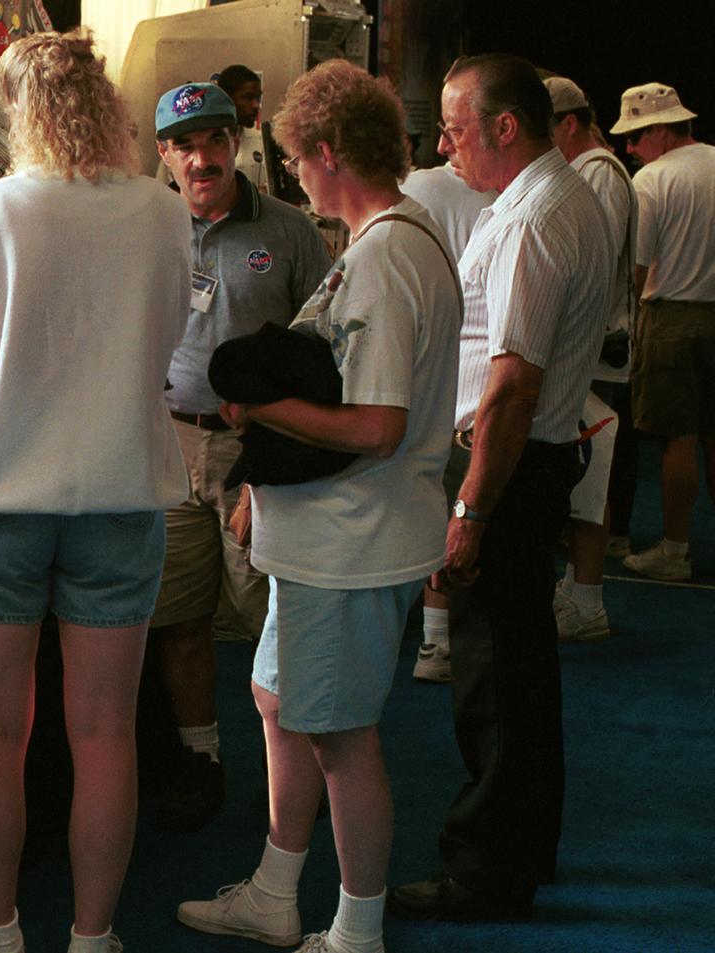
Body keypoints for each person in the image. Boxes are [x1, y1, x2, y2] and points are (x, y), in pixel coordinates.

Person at [0, 29, 192, 953]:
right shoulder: (162, 210)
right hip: (119, 498)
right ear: (101, 102)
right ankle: (94, 935)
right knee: (105, 734)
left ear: (12, 112)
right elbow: (170, 333)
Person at [176, 59, 461, 953]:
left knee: (341, 735)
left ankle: (355, 930)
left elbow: (376, 424)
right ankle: (274, 887)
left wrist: (256, 411)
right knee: (274, 695)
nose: (291, 171)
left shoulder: (386, 256)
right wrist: (262, 485)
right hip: (326, 536)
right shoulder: (386, 244)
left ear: (329, 153)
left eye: (296, 157)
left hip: (354, 540)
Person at [388, 53, 614, 921]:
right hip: (521, 461)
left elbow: (513, 384)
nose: (444, 144)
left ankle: (486, 870)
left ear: (504, 127)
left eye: (454, 126)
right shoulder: (544, 201)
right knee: (520, 672)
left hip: (508, 468)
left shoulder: (534, 218)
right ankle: (521, 849)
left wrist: (470, 509)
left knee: (494, 682)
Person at [150, 80, 331, 832]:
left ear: (237, 144)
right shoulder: (146, 229)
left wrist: (265, 467)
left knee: (274, 619)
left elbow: (321, 355)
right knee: (179, 618)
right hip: (163, 441)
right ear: (163, 154)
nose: (202, 158)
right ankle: (202, 760)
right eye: (185, 145)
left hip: (254, 451)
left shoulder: (288, 230)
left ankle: (309, 776)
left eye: (215, 141)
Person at [546, 75, 640, 640]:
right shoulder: (588, 171)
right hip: (588, 348)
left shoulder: (598, 172)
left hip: (594, 351)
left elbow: (591, 265)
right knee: (582, 481)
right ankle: (579, 594)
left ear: (571, 123)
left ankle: (586, 601)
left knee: (590, 481)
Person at [610, 83, 715, 582]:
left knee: (679, 439)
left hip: (670, 317)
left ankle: (675, 550)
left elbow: (636, 268)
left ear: (657, 129)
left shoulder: (651, 180)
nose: (628, 149)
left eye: (634, 137)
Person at [399, 161, 497, 681]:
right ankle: (439, 642)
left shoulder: (423, 190)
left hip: (439, 369)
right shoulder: (500, 196)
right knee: (452, 507)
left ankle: (435, 642)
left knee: (441, 503)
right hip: (464, 378)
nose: (443, 143)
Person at [216, 63, 270, 193]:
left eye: (258, 98)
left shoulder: (262, 142)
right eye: (248, 97)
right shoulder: (193, 145)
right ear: (225, 98)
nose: (256, 105)